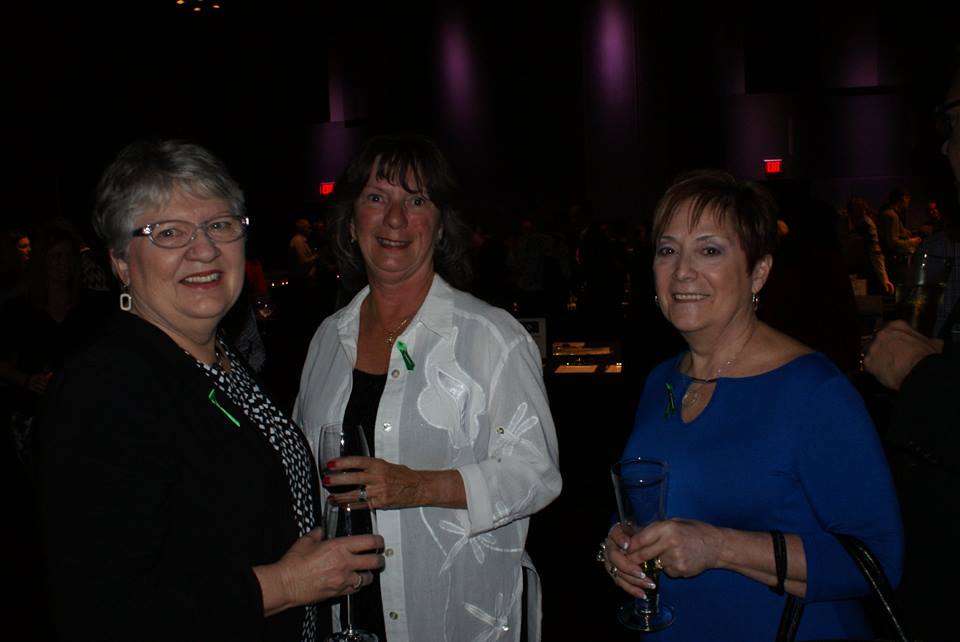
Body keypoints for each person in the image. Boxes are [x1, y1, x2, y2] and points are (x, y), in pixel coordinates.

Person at [36, 139, 384, 642]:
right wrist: (286, 584)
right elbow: (100, 613)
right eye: (168, 232)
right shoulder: (104, 389)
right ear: (121, 262)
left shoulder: (218, 357)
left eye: (220, 225)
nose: (204, 249)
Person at [600, 170, 903, 641]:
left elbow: (879, 560)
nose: (682, 271)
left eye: (709, 250)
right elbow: (661, 501)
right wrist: (618, 543)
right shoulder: (663, 380)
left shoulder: (813, 392)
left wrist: (719, 547)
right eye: (668, 250)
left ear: (758, 271)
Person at [294, 133, 562, 641]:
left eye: (416, 201)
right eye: (377, 198)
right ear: (351, 222)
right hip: (347, 615)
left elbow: (536, 473)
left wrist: (416, 486)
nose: (395, 219)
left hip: (455, 617)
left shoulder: (491, 337)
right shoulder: (327, 340)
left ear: (440, 227)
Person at [837, 196, 895, 295]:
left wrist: (885, 279)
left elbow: (876, 253)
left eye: (861, 216)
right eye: (856, 217)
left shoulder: (868, 225)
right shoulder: (837, 221)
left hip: (859, 266)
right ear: (849, 213)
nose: (858, 221)